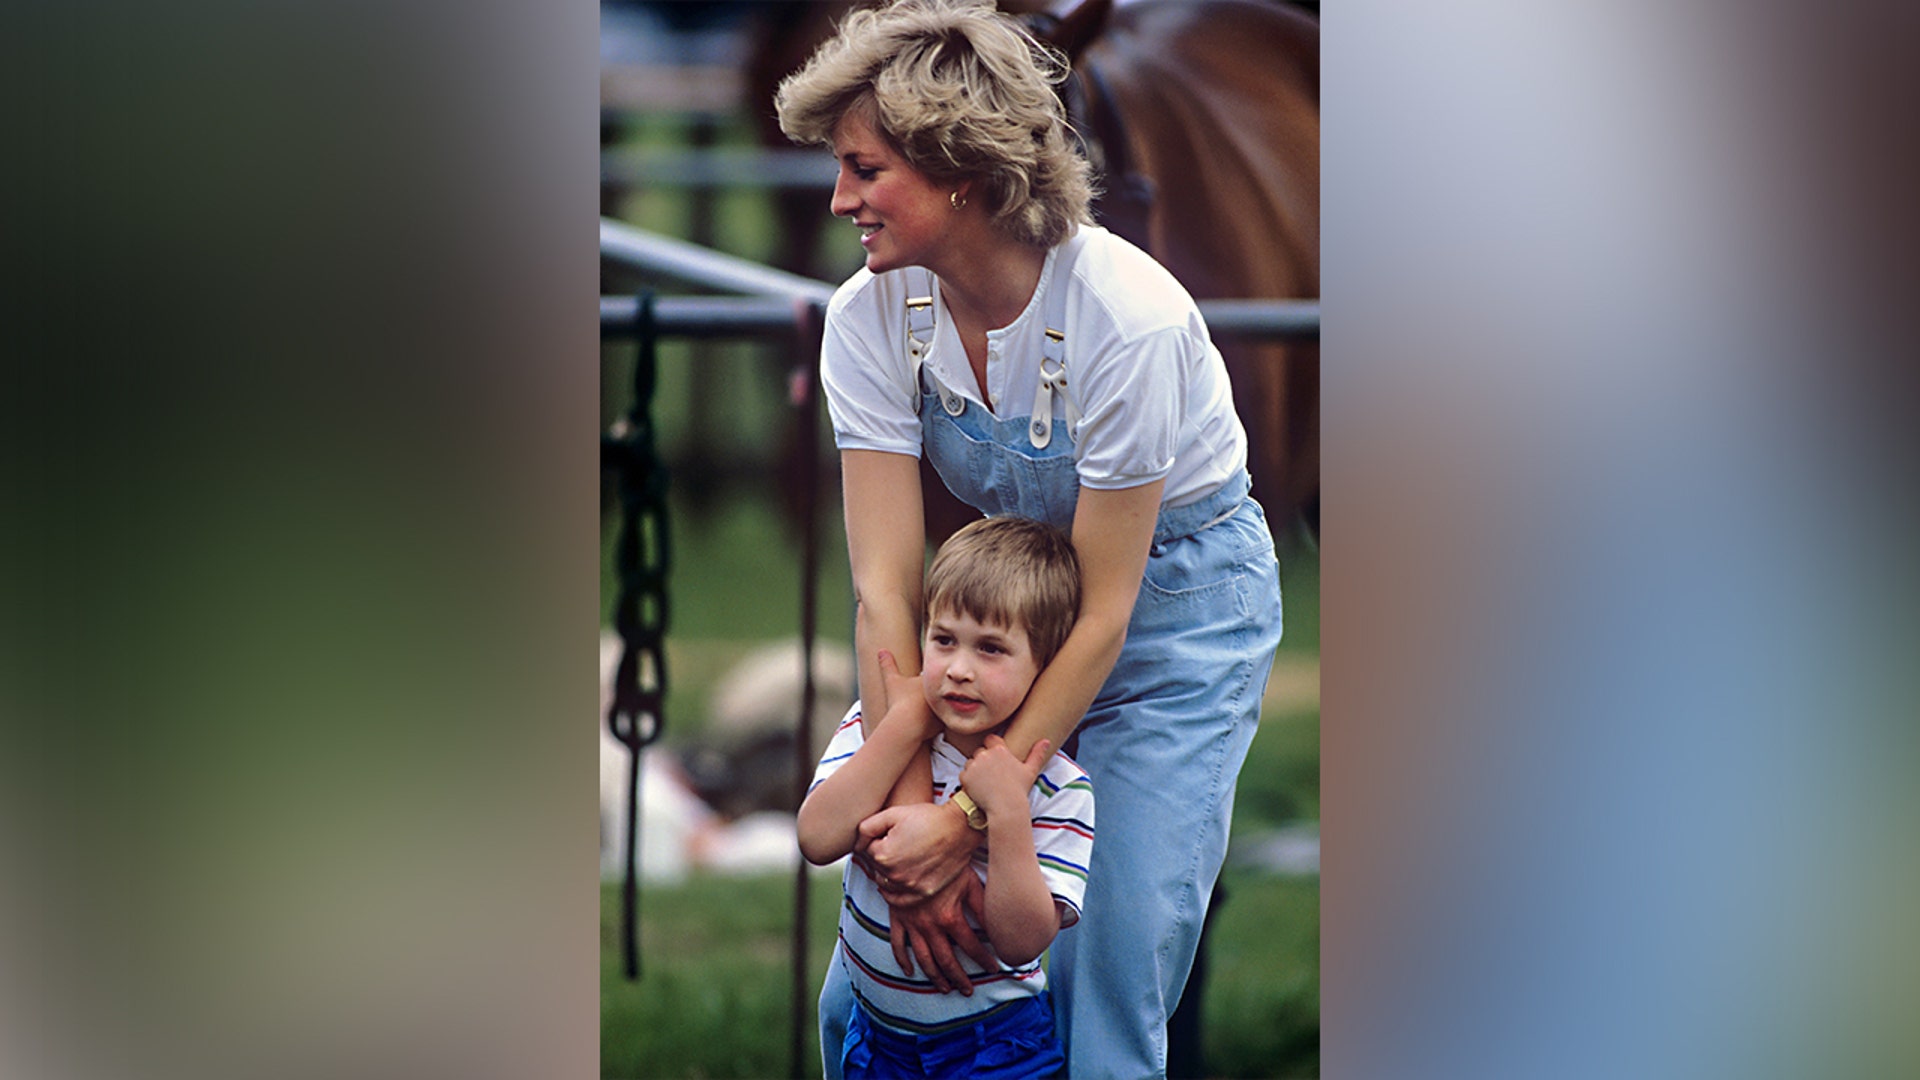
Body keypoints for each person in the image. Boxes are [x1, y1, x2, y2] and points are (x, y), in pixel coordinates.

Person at [776, 1, 1285, 1075]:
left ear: (959, 168)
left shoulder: (1127, 319)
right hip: (994, 628)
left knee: (1105, 973)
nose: (840, 199)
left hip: (1165, 627)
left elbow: (1104, 615)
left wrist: (972, 818)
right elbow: (883, 587)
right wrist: (909, 832)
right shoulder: (866, 319)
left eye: (866, 170)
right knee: (864, 990)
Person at [800, 515, 1093, 1080]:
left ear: (1046, 666)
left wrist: (1006, 813)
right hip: (877, 1043)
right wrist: (902, 728)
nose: (958, 670)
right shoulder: (874, 729)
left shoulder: (1057, 786)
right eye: (944, 640)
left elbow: (1023, 940)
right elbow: (816, 837)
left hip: (995, 1052)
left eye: (990, 649)